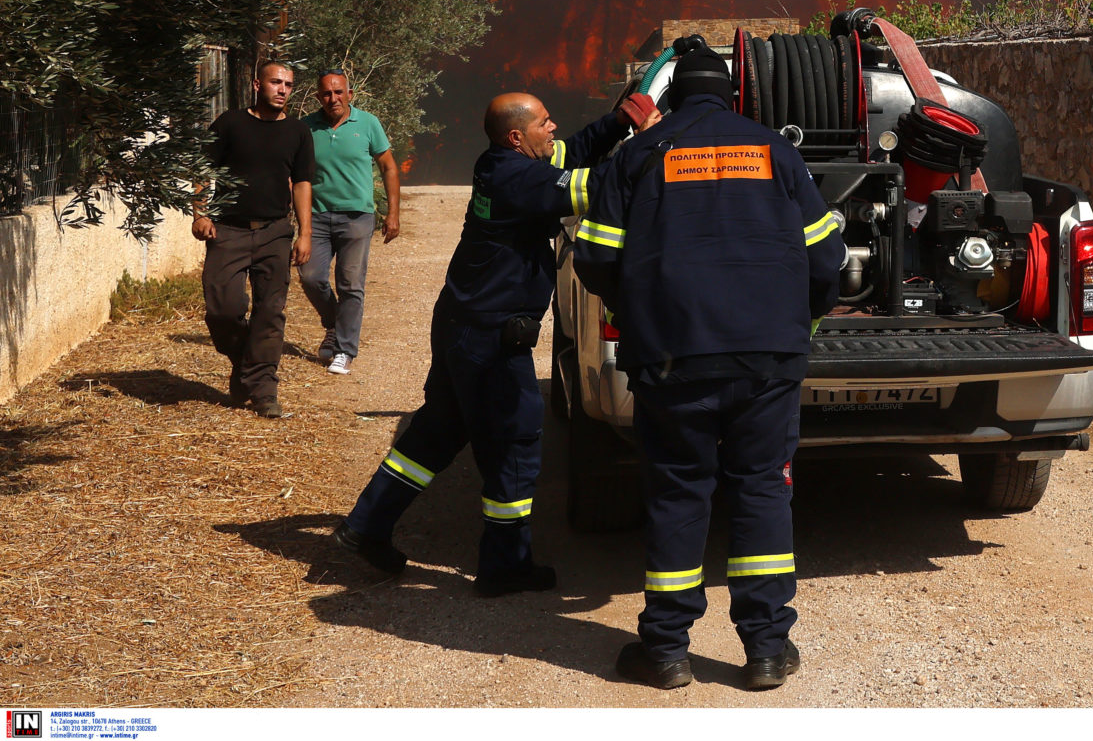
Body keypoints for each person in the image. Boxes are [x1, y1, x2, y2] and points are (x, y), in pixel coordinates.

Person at [573, 40, 844, 691]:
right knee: (762, 488)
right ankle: (767, 650)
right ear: (732, 97)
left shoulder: (638, 155)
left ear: (672, 98)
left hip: (672, 356)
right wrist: (796, 321)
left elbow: (595, 259)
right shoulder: (776, 151)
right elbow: (825, 258)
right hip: (767, 358)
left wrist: (638, 309)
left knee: (678, 492)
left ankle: (666, 651)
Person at [331, 85, 655, 593]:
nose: (553, 128)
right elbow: (600, 184)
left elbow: (570, 153)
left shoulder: (503, 162)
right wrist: (655, 142)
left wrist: (616, 123)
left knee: (438, 430)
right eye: (544, 122)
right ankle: (505, 564)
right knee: (515, 443)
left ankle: (366, 524)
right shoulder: (518, 178)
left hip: (462, 326)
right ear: (516, 137)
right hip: (491, 340)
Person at [194, 61, 315, 418]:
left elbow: (303, 183)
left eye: (288, 84)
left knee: (270, 312)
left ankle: (264, 390)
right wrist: (200, 214)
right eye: (275, 82)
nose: (282, 90)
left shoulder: (298, 131)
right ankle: (245, 361)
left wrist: (305, 233)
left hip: (275, 232)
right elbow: (203, 168)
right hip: (228, 231)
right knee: (222, 309)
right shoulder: (230, 123)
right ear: (256, 85)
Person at [302, 70, 401, 374]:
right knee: (310, 277)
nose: (333, 98)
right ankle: (334, 322)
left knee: (350, 284)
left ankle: (344, 350)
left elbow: (388, 167)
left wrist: (393, 213)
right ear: (318, 97)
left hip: (357, 217)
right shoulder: (306, 127)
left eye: (338, 92)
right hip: (316, 216)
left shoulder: (368, 123)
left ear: (350, 94)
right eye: (326, 93)